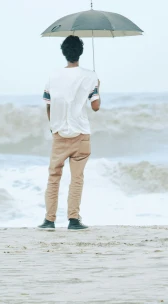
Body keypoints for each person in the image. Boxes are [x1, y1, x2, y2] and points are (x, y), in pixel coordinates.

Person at [39, 35, 101, 231]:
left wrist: (53, 126)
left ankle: (49, 220)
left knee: (53, 176)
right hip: (81, 132)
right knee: (77, 178)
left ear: (64, 53)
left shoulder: (53, 76)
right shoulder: (90, 76)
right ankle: (73, 220)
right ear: (80, 53)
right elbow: (96, 106)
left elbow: (48, 105)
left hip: (59, 133)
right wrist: (98, 86)